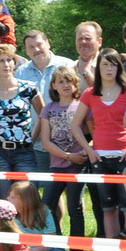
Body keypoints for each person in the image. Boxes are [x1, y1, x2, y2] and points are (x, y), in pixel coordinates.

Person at [71, 50, 126, 242]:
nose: (109, 69)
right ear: (98, 68)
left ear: (119, 67)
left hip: (125, 156)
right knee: (108, 208)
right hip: (100, 158)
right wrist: (89, 149)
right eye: (105, 64)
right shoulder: (90, 93)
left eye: (113, 64)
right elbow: (75, 125)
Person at [0, 44, 39, 201]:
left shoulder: (29, 87)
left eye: (9, 60)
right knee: (5, 198)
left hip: (24, 151)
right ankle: (8, 226)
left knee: (26, 197)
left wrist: (33, 137)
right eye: (1, 61)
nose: (6, 64)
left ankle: (27, 226)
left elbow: (43, 115)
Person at [35, 65, 91, 235]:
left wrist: (85, 152)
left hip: (78, 164)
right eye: (61, 82)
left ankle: (77, 248)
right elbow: (45, 141)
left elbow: (95, 134)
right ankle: (56, 243)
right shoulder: (48, 109)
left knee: (75, 206)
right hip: (57, 164)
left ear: (76, 84)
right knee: (47, 205)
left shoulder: (82, 106)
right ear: (54, 86)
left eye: (69, 81)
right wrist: (68, 156)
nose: (65, 85)